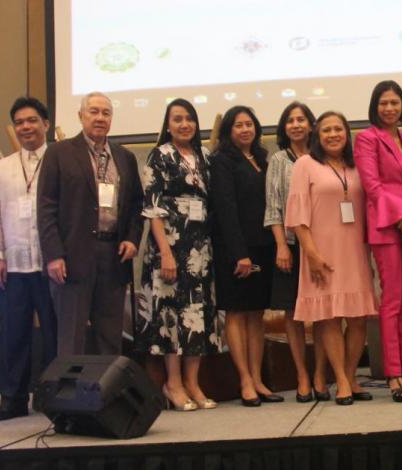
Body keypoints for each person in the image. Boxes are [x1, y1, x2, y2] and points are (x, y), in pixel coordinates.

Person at [38, 91, 144, 357]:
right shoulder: (58, 153)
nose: (100, 118)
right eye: (93, 112)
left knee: (110, 334)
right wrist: (53, 255)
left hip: (113, 255)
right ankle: (71, 397)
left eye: (105, 113)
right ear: (80, 116)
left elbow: (135, 205)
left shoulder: (124, 157)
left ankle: (105, 397)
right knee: (71, 335)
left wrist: (132, 238)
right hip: (73, 255)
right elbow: (46, 207)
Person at [285, 111, 379, 406]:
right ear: (317, 134)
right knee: (329, 319)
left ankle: (351, 375)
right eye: (327, 130)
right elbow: (297, 216)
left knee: (358, 319)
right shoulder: (305, 164)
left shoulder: (356, 166)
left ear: (347, 133)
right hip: (321, 252)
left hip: (354, 251)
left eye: (339, 129)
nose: (333, 134)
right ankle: (340, 380)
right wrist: (311, 253)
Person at [136, 99, 220, 411]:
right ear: (168, 124)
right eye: (177, 119)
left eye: (189, 119)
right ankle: (172, 383)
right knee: (171, 314)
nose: (184, 124)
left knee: (196, 314)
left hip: (199, 247)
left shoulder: (204, 156)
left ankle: (193, 384)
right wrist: (166, 253)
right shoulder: (159, 155)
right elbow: (153, 209)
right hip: (169, 245)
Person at [0, 97, 58, 420]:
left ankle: (54, 398)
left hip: (52, 263)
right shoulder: (1, 167)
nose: (26, 127)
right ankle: (12, 400)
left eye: (32, 121)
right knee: (14, 334)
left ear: (45, 124)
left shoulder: (60, 160)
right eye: (20, 122)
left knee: (55, 334)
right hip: (13, 265)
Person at [355, 81, 402, 402]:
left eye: (394, 102)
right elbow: (372, 186)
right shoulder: (367, 138)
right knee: (393, 300)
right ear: (375, 106)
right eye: (383, 103)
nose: (389, 108)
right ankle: (394, 373)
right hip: (388, 226)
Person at [210, 106, 282, 406]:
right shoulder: (222, 161)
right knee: (237, 312)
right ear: (228, 130)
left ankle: (258, 378)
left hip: (262, 247)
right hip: (235, 249)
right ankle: (244, 381)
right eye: (238, 125)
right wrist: (238, 253)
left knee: (256, 314)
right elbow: (225, 209)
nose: (244, 129)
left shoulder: (263, 159)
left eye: (249, 124)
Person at [265, 101, 329, 402]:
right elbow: (273, 206)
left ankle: (320, 375)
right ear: (284, 127)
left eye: (302, 119)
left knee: (323, 314)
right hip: (290, 246)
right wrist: (281, 245)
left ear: (311, 124)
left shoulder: (323, 157)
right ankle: (302, 374)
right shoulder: (279, 160)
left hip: (321, 246)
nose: (296, 125)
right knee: (292, 312)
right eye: (290, 120)